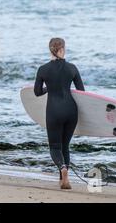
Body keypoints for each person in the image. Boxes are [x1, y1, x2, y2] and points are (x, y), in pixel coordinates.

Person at [33, 38, 85, 189]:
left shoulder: (43, 69)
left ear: (50, 50)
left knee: (55, 147)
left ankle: (62, 169)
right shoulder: (72, 68)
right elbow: (81, 92)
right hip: (71, 110)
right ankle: (63, 180)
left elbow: (37, 92)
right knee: (65, 146)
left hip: (53, 111)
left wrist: (49, 88)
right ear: (63, 49)